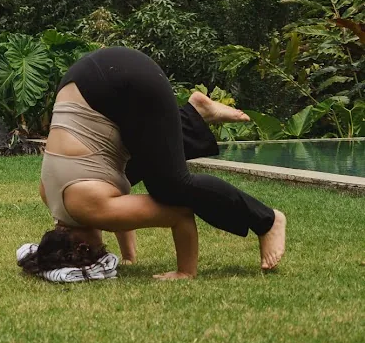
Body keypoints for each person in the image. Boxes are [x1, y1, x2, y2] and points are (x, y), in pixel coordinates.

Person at [28, 46, 286, 278]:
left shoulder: (92, 209)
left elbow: (179, 214)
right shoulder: (53, 199)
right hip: (90, 78)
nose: (101, 250)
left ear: (81, 246)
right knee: (149, 165)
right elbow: (115, 207)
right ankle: (194, 113)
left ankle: (267, 220)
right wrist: (129, 257)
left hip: (125, 84)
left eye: (95, 252)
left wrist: (185, 271)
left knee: (171, 186)